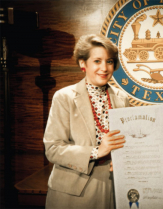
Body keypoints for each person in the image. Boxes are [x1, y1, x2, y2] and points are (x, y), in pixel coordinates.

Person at [43, 34, 130, 209]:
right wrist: (96, 151)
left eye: (109, 61)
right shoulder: (64, 97)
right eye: (97, 61)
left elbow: (126, 142)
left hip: (113, 187)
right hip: (73, 192)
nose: (104, 68)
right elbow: (52, 149)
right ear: (83, 63)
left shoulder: (123, 98)